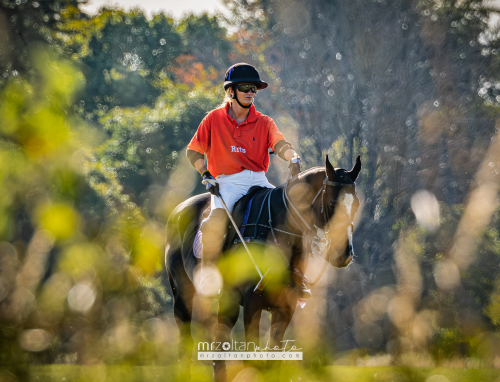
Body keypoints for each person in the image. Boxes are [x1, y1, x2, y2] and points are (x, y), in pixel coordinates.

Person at [186, 63, 309, 297]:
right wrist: (205, 174)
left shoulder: (264, 121)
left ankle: (295, 277)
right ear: (231, 91)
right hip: (227, 183)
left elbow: (280, 144)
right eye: (245, 87)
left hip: (259, 181)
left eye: (254, 88)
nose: (251, 92)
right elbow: (193, 151)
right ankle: (209, 277)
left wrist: (292, 156)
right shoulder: (213, 119)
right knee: (216, 223)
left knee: (290, 215)